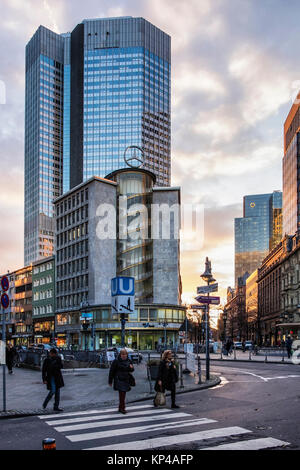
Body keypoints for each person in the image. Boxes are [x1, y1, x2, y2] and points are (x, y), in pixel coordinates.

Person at [108, 348, 135, 414]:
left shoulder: (129, 361)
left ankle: (120, 407)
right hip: (119, 379)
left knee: (123, 394)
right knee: (122, 394)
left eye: (125, 354)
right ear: (120, 354)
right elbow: (111, 371)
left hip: (126, 379)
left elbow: (131, 370)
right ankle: (122, 408)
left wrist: (132, 368)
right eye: (122, 354)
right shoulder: (116, 361)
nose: (124, 355)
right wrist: (110, 381)